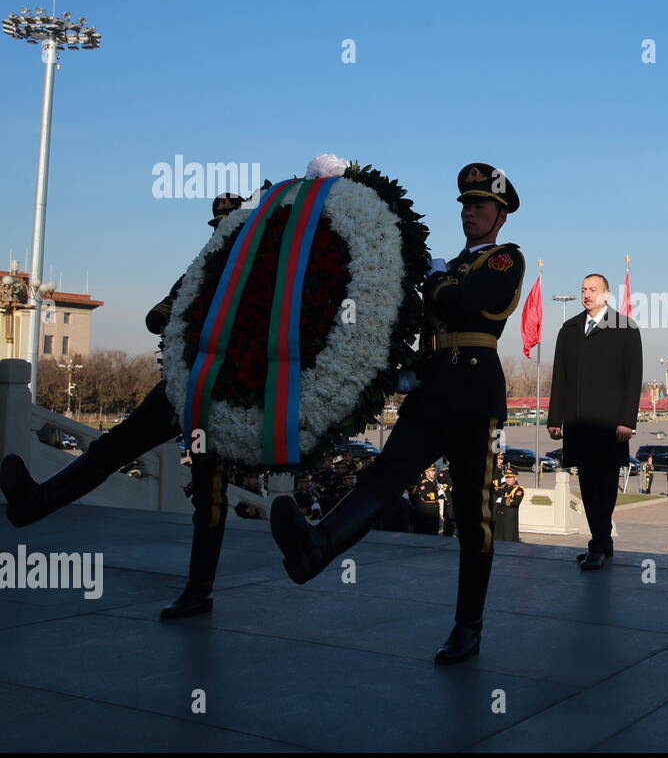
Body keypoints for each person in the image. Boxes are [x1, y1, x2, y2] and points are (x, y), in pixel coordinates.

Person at [270, 162, 524, 665]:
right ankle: (316, 548)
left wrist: (434, 283)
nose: (471, 212)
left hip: (474, 392)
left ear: (500, 215)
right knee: (382, 476)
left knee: (474, 517)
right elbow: (432, 320)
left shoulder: (503, 260)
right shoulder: (449, 266)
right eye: (466, 205)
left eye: (480, 205)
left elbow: (464, 303)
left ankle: (467, 626)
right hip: (434, 389)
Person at [2, 194, 245, 620]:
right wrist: (181, 309)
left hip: (228, 394)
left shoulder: (262, 282)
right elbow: (158, 315)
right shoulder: (203, 270)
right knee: (113, 449)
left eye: (225, 225)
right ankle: (35, 502)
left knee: (210, 493)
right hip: (184, 383)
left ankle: (198, 588)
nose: (219, 232)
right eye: (217, 226)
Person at [546, 273, 643, 570]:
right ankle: (602, 543)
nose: (587, 294)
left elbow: (633, 377)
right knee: (588, 486)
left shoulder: (625, 328)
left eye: (593, 289)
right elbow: (559, 376)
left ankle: (598, 544)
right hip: (578, 423)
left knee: (605, 485)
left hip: (610, 424)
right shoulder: (569, 328)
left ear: (606, 294)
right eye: (583, 289)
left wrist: (627, 420)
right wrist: (555, 417)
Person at [493, 468, 524, 542]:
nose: (508, 479)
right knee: (498, 539)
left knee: (508, 540)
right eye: (507, 477)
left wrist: (502, 500)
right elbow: (495, 490)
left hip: (509, 520)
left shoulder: (518, 489)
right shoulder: (504, 487)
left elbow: (515, 502)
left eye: (510, 477)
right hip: (500, 518)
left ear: (515, 478)